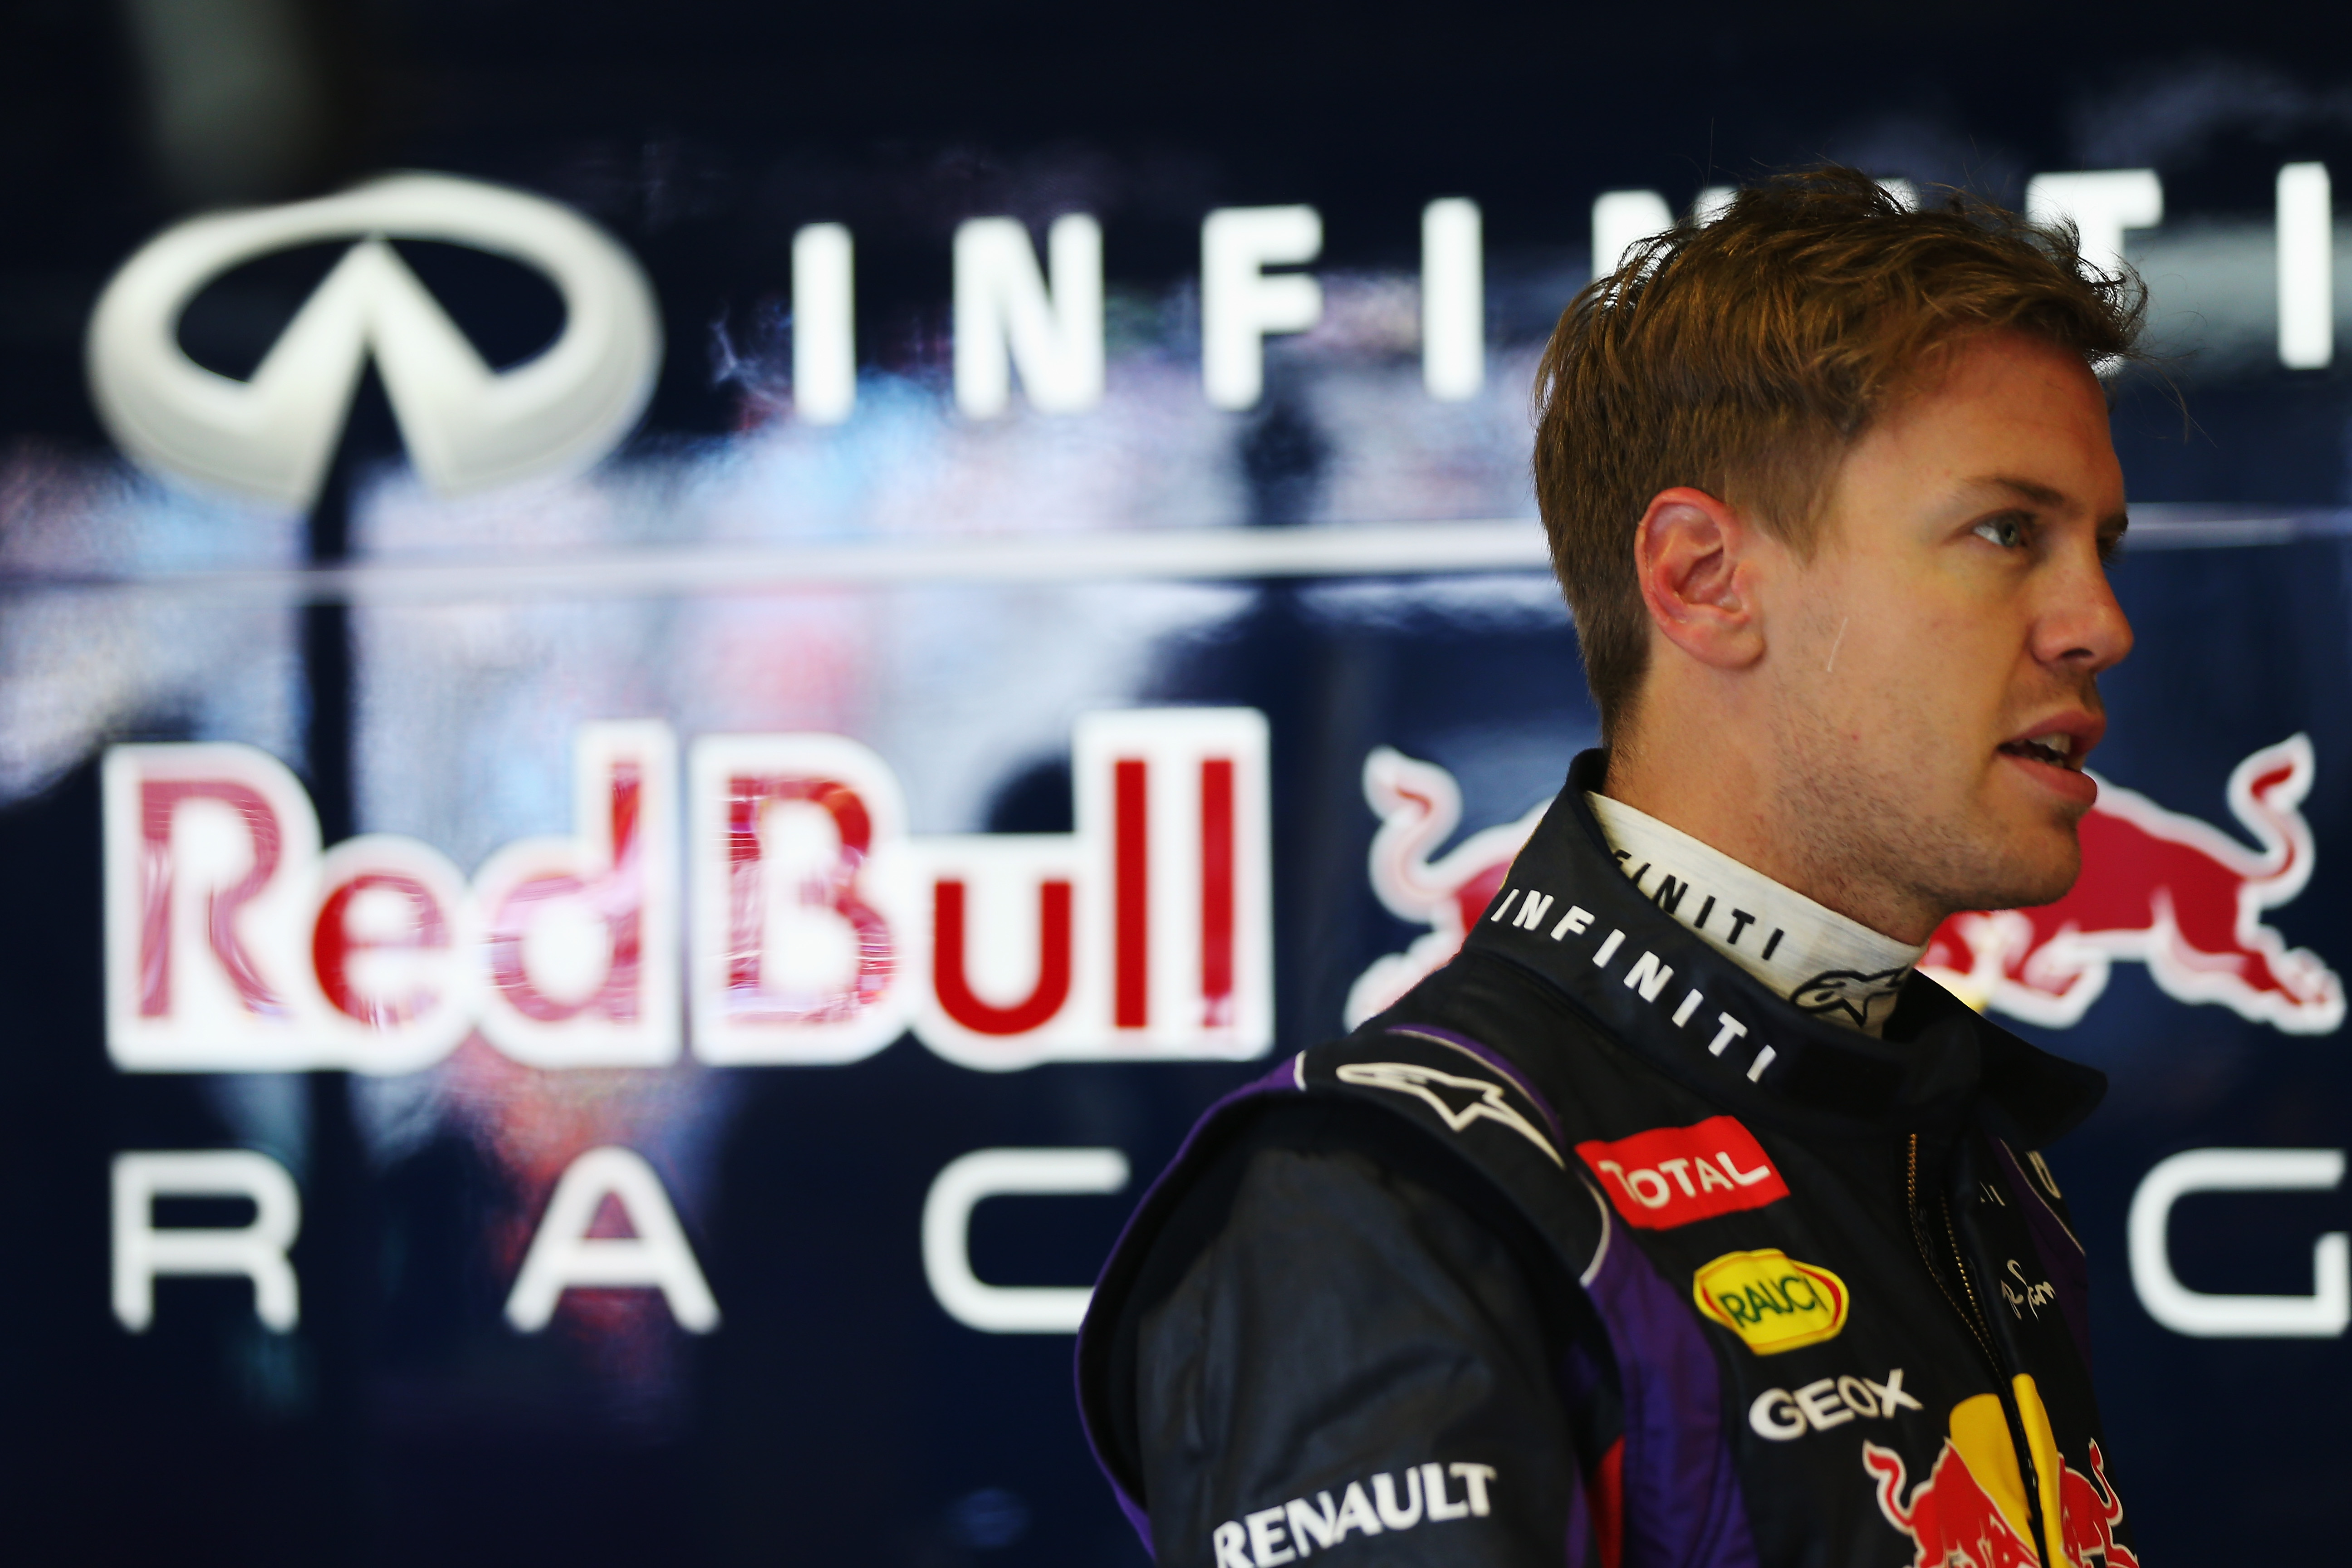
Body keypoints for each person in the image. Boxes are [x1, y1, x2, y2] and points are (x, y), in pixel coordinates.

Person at [1075, 166, 2146, 1568]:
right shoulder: (1385, 1201)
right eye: (2007, 532)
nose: (2099, 622)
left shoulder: (1955, 1144)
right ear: (1702, 579)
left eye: (2097, 547)